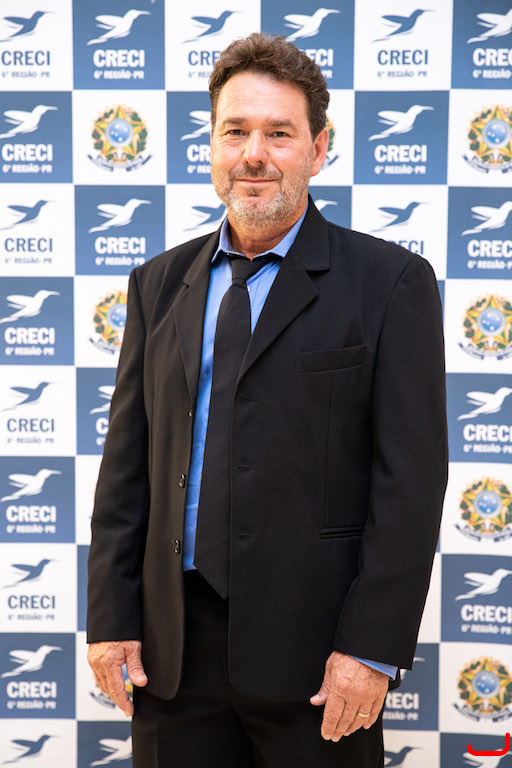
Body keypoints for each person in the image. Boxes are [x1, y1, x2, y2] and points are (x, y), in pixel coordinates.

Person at [87, 32, 448, 768]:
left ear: (319, 148)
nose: (254, 154)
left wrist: (370, 649)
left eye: (279, 133)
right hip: (171, 656)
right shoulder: (157, 284)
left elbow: (410, 484)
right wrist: (110, 618)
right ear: (212, 145)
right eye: (236, 131)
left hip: (318, 661)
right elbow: (126, 467)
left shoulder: (390, 284)